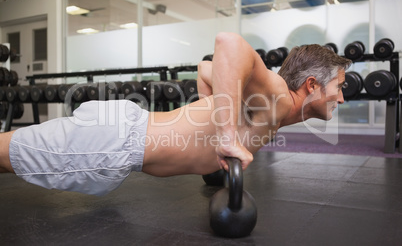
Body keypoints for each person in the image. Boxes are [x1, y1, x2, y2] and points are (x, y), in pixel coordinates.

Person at [0, 32, 351, 195]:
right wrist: (226, 135)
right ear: (310, 85)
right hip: (113, 142)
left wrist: (216, 119)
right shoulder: (277, 97)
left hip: (121, 136)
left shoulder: (269, 106)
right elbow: (229, 43)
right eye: (339, 86)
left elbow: (204, 68)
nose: (343, 98)